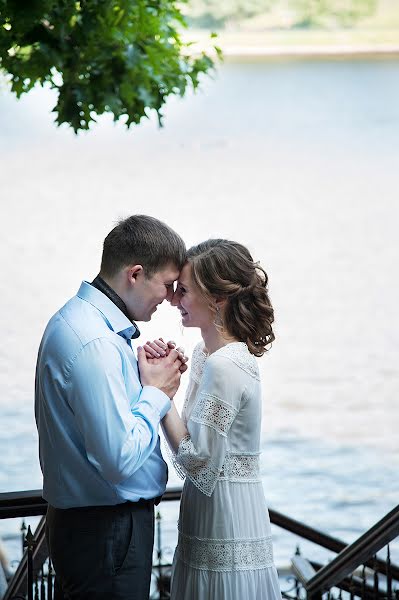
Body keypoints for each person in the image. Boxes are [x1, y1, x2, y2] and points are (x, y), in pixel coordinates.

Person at [35, 215, 188, 600]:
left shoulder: (77, 321)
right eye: (167, 285)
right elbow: (117, 459)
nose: (171, 298)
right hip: (107, 532)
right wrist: (157, 392)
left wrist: (141, 378)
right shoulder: (96, 344)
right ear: (135, 274)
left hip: (93, 528)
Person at [144, 239, 282, 600]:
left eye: (184, 291)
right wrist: (166, 377)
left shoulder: (225, 365)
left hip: (225, 512)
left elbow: (198, 460)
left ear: (217, 299)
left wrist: (157, 392)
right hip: (214, 504)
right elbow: (195, 435)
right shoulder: (207, 353)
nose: (174, 300)